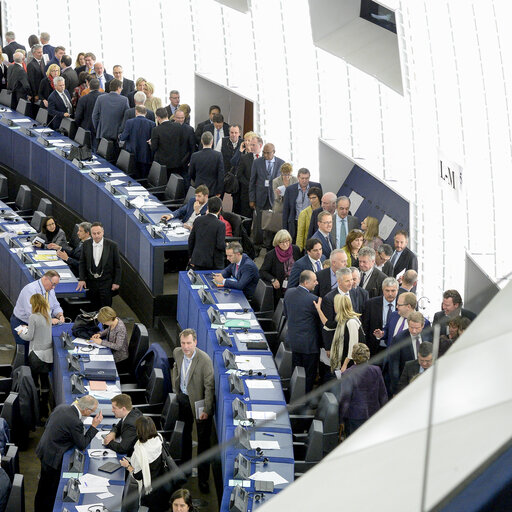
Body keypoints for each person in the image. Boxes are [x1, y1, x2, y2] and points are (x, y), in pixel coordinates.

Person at [35, 395, 102, 512]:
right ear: (86, 410)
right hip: (52, 457)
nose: (93, 413)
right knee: (49, 489)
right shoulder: (75, 422)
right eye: (93, 411)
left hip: (44, 449)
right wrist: (94, 426)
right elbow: (82, 444)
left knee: (43, 486)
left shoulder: (62, 407)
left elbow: (48, 425)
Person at [171, 329, 215, 494]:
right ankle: (185, 470)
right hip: (183, 399)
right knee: (184, 436)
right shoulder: (177, 352)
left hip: (199, 405)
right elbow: (176, 367)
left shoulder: (204, 360)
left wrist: (207, 409)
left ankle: (203, 480)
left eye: (189, 343)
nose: (186, 347)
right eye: (183, 343)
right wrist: (177, 389)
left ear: (195, 342)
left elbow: (209, 387)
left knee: (203, 443)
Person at [11, 270, 64, 363]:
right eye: (53, 284)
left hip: (39, 325)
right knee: (24, 354)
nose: (54, 287)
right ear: (45, 279)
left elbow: (55, 305)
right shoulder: (30, 290)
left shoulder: (50, 290)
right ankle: (20, 375)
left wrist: (60, 314)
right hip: (22, 323)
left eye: (56, 285)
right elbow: (32, 313)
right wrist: (49, 320)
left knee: (34, 355)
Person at [119, 416, 171, 511]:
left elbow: (137, 475)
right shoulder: (159, 438)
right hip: (163, 484)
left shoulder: (139, 450)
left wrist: (127, 465)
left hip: (149, 492)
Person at [337, 343, 388, 436]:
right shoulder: (376, 370)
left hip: (354, 417)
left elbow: (345, 400)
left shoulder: (348, 374)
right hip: (373, 414)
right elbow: (383, 395)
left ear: (353, 356)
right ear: (368, 356)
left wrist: (340, 420)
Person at [283, 270, 321, 392]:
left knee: (295, 374)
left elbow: (286, 314)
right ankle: (306, 401)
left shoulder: (288, 292)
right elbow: (319, 323)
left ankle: (293, 396)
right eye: (314, 281)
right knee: (308, 377)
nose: (317, 283)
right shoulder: (314, 300)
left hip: (292, 342)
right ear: (305, 282)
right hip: (309, 346)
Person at [17, 293, 52, 420]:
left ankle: (36, 411)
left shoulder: (33, 317)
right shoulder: (47, 314)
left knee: (35, 384)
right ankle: (44, 411)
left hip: (36, 356)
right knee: (45, 382)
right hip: (47, 356)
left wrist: (21, 332)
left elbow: (29, 336)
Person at [77, 222, 121, 310]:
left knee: (106, 309)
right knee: (93, 307)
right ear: (90, 233)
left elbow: (117, 266)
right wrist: (82, 279)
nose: (96, 236)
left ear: (103, 232)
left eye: (99, 233)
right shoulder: (86, 244)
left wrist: (116, 282)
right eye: (94, 233)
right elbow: (82, 263)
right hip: (91, 282)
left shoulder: (112, 245)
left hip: (106, 283)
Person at [314, 293, 363, 374]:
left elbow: (353, 347)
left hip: (351, 363)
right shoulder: (343, 320)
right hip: (345, 360)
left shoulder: (351, 322)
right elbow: (328, 324)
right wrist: (318, 309)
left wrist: (345, 365)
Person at [249, 143, 285, 250]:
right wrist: (252, 199)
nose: (265, 155)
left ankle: (270, 245)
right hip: (260, 197)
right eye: (264, 152)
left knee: (272, 223)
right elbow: (252, 181)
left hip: (274, 199)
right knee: (259, 223)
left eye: (268, 153)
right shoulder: (257, 163)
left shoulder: (281, 163)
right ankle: (257, 246)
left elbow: (284, 183)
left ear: (274, 152)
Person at [389, 311, 433, 395]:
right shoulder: (398, 339)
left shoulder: (429, 335)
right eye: (411, 327)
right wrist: (396, 390)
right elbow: (394, 366)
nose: (414, 331)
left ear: (423, 326)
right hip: (407, 382)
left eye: (417, 328)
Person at [259, 229, 302, 304]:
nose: (285, 244)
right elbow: (262, 271)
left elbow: (300, 266)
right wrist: (273, 280)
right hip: (280, 288)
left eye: (287, 241)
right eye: (282, 242)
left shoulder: (295, 250)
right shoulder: (271, 255)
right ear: (277, 243)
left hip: (295, 284)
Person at [362, 277, 399, 357]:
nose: (390, 294)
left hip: (396, 349)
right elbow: (365, 327)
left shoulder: (403, 304)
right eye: (387, 290)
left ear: (397, 291)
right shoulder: (371, 304)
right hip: (375, 348)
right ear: (382, 290)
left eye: (393, 291)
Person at [282, 167, 322, 242]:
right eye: (302, 178)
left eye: (306, 178)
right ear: (298, 177)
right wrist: (284, 229)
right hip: (295, 223)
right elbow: (286, 210)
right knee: (295, 244)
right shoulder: (290, 189)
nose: (304, 181)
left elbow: (320, 206)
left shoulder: (316, 186)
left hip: (311, 222)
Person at [188, 196, 226, 270]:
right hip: (213, 264)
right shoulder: (221, 225)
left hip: (197, 260)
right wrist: (227, 245)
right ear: (220, 209)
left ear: (208, 208)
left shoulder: (198, 220)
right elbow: (220, 245)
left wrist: (191, 257)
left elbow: (191, 240)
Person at [119, 104, 155, 178]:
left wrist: (119, 136)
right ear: (146, 113)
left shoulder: (129, 122)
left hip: (132, 155)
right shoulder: (152, 124)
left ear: (136, 112)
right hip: (145, 155)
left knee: (132, 177)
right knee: (143, 176)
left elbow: (123, 137)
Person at [92, 78, 129, 146]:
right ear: (118, 88)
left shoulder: (100, 98)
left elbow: (94, 116)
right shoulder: (124, 100)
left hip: (102, 133)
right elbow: (126, 117)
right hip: (116, 135)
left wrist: (99, 128)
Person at [150, 107, 184, 179]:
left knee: (163, 184)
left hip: (162, 164)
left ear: (158, 117)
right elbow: (181, 142)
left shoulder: (156, 130)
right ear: (167, 115)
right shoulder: (178, 126)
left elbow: (154, 147)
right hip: (176, 162)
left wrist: (151, 142)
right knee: (175, 185)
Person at [189, 131, 225, 196]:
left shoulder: (195, 156)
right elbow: (221, 175)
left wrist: (197, 179)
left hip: (199, 188)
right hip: (213, 189)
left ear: (202, 141)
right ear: (212, 141)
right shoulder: (218, 155)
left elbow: (191, 173)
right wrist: (219, 191)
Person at [235, 134, 261, 218]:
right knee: (246, 218)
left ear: (260, 146)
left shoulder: (264, 159)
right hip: (246, 194)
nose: (251, 147)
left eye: (253, 145)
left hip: (260, 195)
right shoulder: (245, 158)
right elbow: (239, 175)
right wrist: (249, 184)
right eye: (251, 145)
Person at [74, 78, 102, 148]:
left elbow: (78, 116)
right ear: (99, 87)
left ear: (89, 86)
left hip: (86, 129)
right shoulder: (104, 98)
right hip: (100, 129)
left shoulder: (83, 99)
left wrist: (79, 126)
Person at [296, 187, 322, 251]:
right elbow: (300, 234)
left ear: (319, 197)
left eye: (314, 198)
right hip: (309, 246)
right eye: (310, 198)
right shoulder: (304, 213)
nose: (311, 200)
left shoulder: (324, 211)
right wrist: (299, 250)